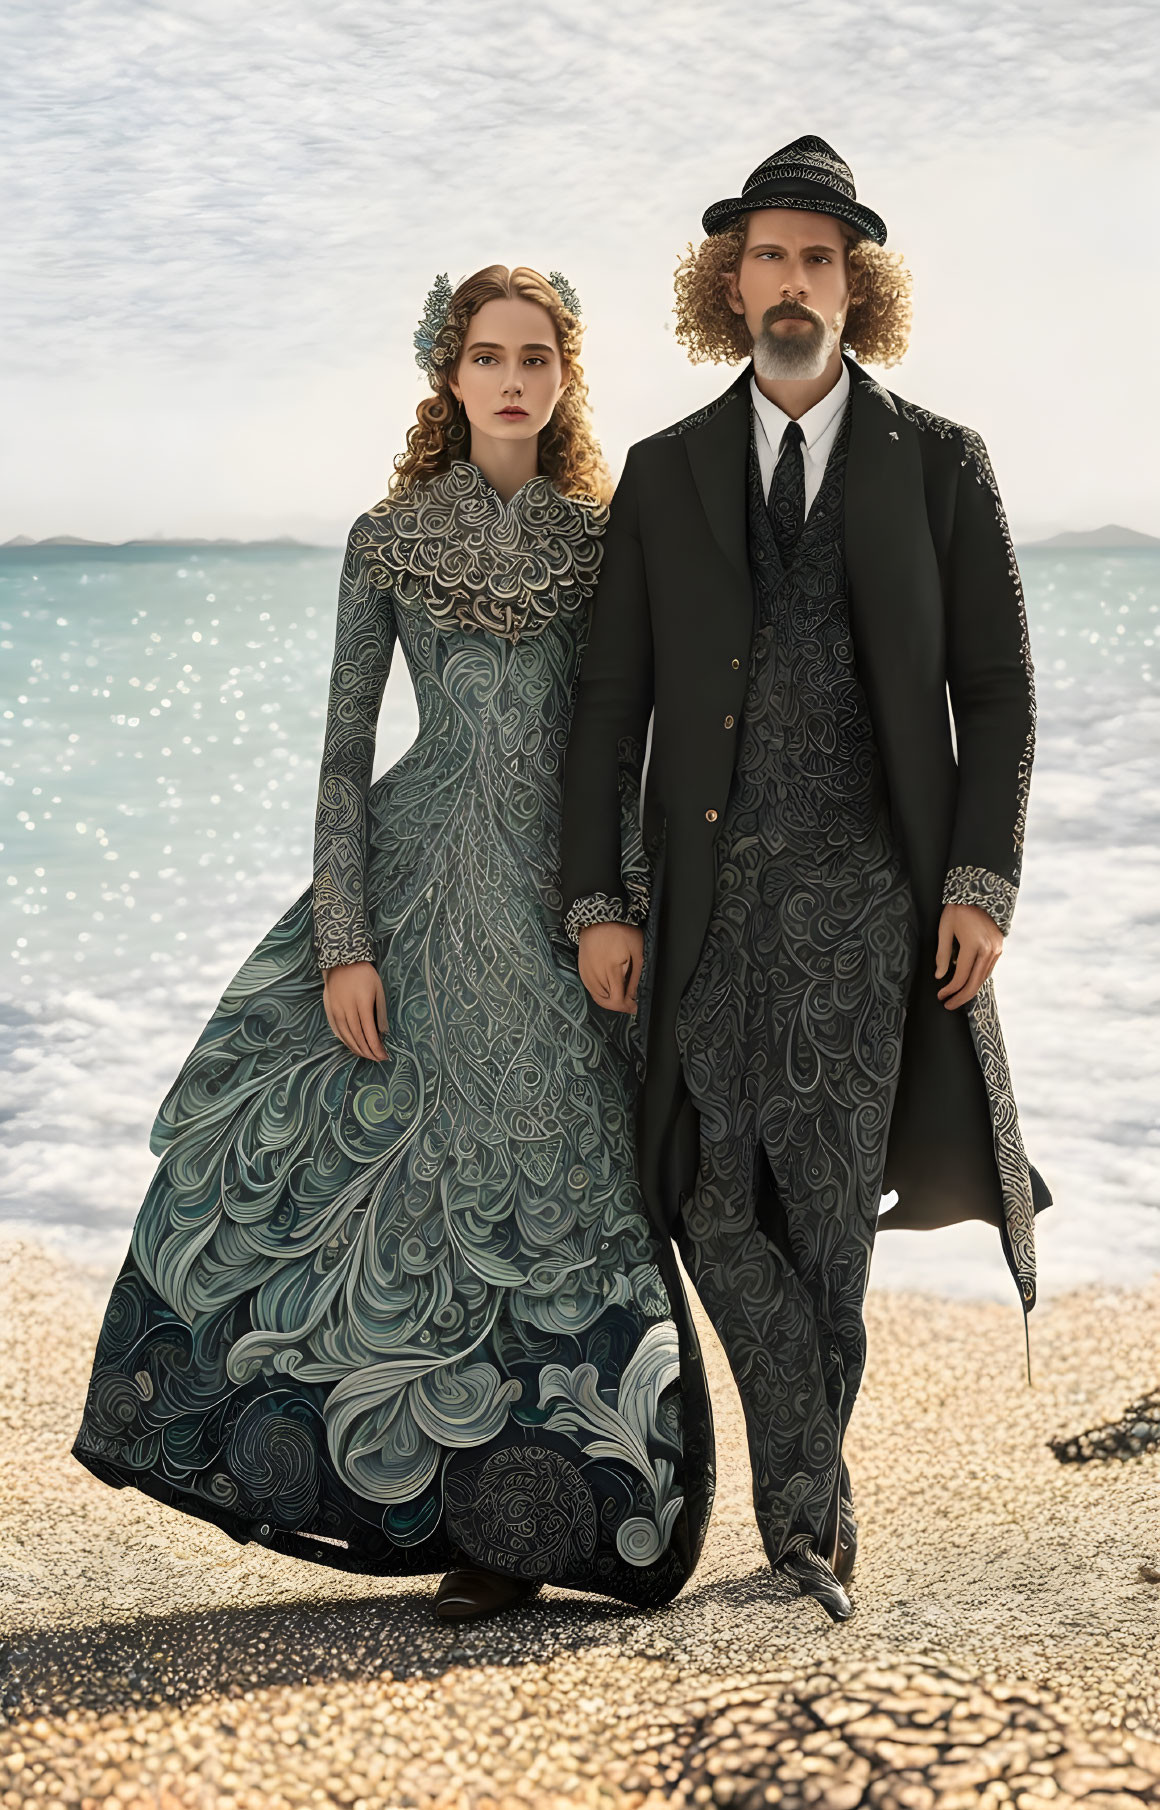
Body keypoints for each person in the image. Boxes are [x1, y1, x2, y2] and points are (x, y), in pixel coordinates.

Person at [73, 264, 714, 1624]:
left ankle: (533, 1517)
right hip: (418, 890)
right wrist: (343, 943)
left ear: (564, 373)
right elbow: (344, 753)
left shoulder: (602, 542)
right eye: (489, 353)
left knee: (544, 1194)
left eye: (536, 354)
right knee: (399, 1194)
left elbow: (625, 753)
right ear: (450, 371)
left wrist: (625, 910)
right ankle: (412, 1499)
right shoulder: (386, 539)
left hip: (557, 906)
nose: (513, 377)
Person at [561, 137, 1049, 1623]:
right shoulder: (659, 474)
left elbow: (1001, 687)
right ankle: (815, 1495)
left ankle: (804, 1532)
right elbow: (610, 709)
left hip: (867, 908)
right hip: (704, 910)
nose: (792, 283)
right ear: (731, 283)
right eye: (768, 257)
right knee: (704, 1196)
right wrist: (598, 902)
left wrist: (980, 876)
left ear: (859, 286)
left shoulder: (943, 461)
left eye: (819, 259)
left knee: (830, 1221)